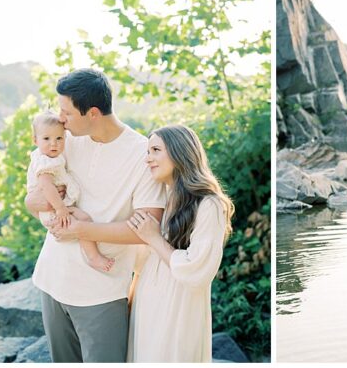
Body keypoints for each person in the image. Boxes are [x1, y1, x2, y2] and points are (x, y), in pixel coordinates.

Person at [25, 69, 165, 363]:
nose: (60, 119)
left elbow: (146, 228)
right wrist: (45, 201)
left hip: (101, 291)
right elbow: (30, 200)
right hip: (52, 280)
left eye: (66, 113)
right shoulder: (63, 140)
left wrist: (80, 230)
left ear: (92, 113)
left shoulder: (143, 154)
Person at [126, 125, 234, 362]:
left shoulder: (210, 205)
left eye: (155, 150)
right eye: (147, 151)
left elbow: (198, 269)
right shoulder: (158, 202)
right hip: (147, 305)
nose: (148, 159)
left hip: (179, 309)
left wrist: (154, 237)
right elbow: (139, 265)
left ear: (179, 152)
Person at [26, 111, 114, 273]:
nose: (54, 144)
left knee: (83, 220)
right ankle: (93, 257)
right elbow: (46, 186)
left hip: (53, 207)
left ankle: (92, 255)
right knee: (83, 220)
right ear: (35, 140)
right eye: (47, 139)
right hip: (52, 209)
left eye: (59, 138)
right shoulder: (43, 161)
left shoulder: (50, 156)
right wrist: (60, 209)